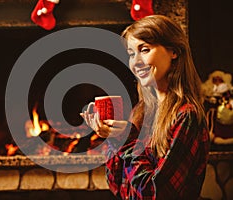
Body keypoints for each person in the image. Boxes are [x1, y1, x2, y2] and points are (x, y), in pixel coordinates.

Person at [81, 15, 210, 199]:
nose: (136, 62)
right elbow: (117, 186)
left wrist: (128, 142)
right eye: (132, 54)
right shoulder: (142, 112)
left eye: (145, 50)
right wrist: (115, 140)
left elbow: (155, 194)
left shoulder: (186, 116)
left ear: (174, 51)